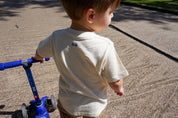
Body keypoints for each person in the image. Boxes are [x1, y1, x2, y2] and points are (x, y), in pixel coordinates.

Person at [33, 0, 129, 117]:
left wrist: (39, 57)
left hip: (67, 102)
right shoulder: (105, 46)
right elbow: (115, 80)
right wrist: (119, 88)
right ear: (91, 15)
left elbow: (40, 51)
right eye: (110, 12)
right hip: (94, 105)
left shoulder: (56, 38)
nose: (112, 15)